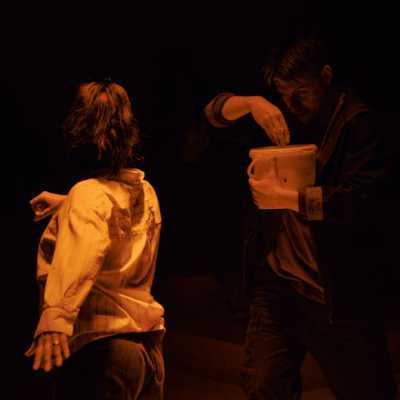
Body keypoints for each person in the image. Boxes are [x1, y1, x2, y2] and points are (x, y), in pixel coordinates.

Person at [204, 38, 397, 399]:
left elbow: (365, 202)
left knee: (367, 389)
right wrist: (250, 103)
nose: (292, 103)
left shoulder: (356, 123)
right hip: (277, 285)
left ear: (325, 76)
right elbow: (211, 113)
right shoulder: (278, 114)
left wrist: (290, 199)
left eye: (301, 93)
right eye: (282, 92)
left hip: (335, 290)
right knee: (264, 386)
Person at [26, 81, 165, 400]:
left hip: (103, 355)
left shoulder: (87, 196)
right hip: (147, 354)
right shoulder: (145, 192)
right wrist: (68, 204)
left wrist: (56, 316)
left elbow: (85, 253)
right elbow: (118, 223)